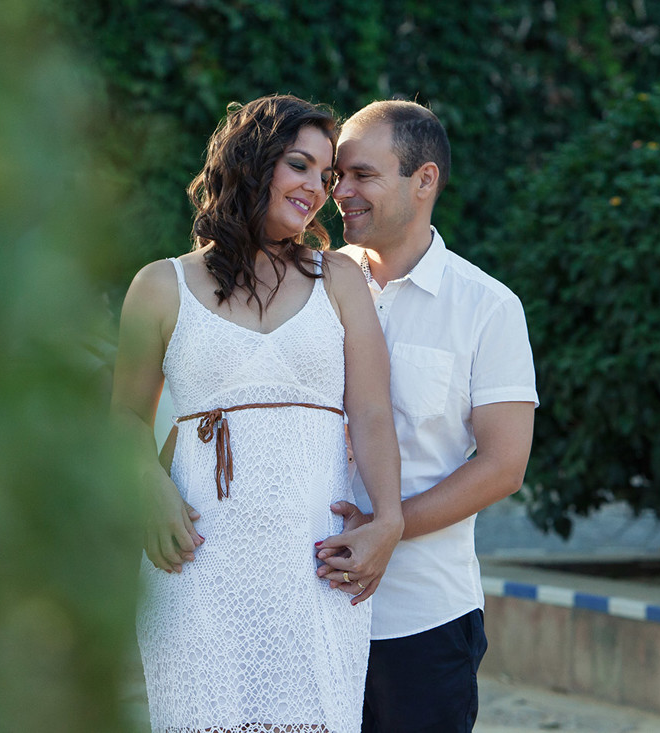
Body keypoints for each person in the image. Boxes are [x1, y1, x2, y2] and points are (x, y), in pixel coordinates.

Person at [111, 95, 404, 733]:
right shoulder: (160, 286)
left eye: (326, 177)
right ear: (251, 162)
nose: (317, 190)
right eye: (300, 166)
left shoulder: (340, 279)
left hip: (313, 573)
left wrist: (389, 520)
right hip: (197, 567)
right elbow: (126, 421)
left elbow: (374, 413)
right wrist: (148, 486)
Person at [315, 100, 538, 732]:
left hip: (422, 619)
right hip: (301, 610)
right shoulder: (305, 290)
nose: (341, 193)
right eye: (337, 177)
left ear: (425, 179)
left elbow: (503, 465)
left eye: (362, 176)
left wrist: (388, 529)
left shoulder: (487, 307)